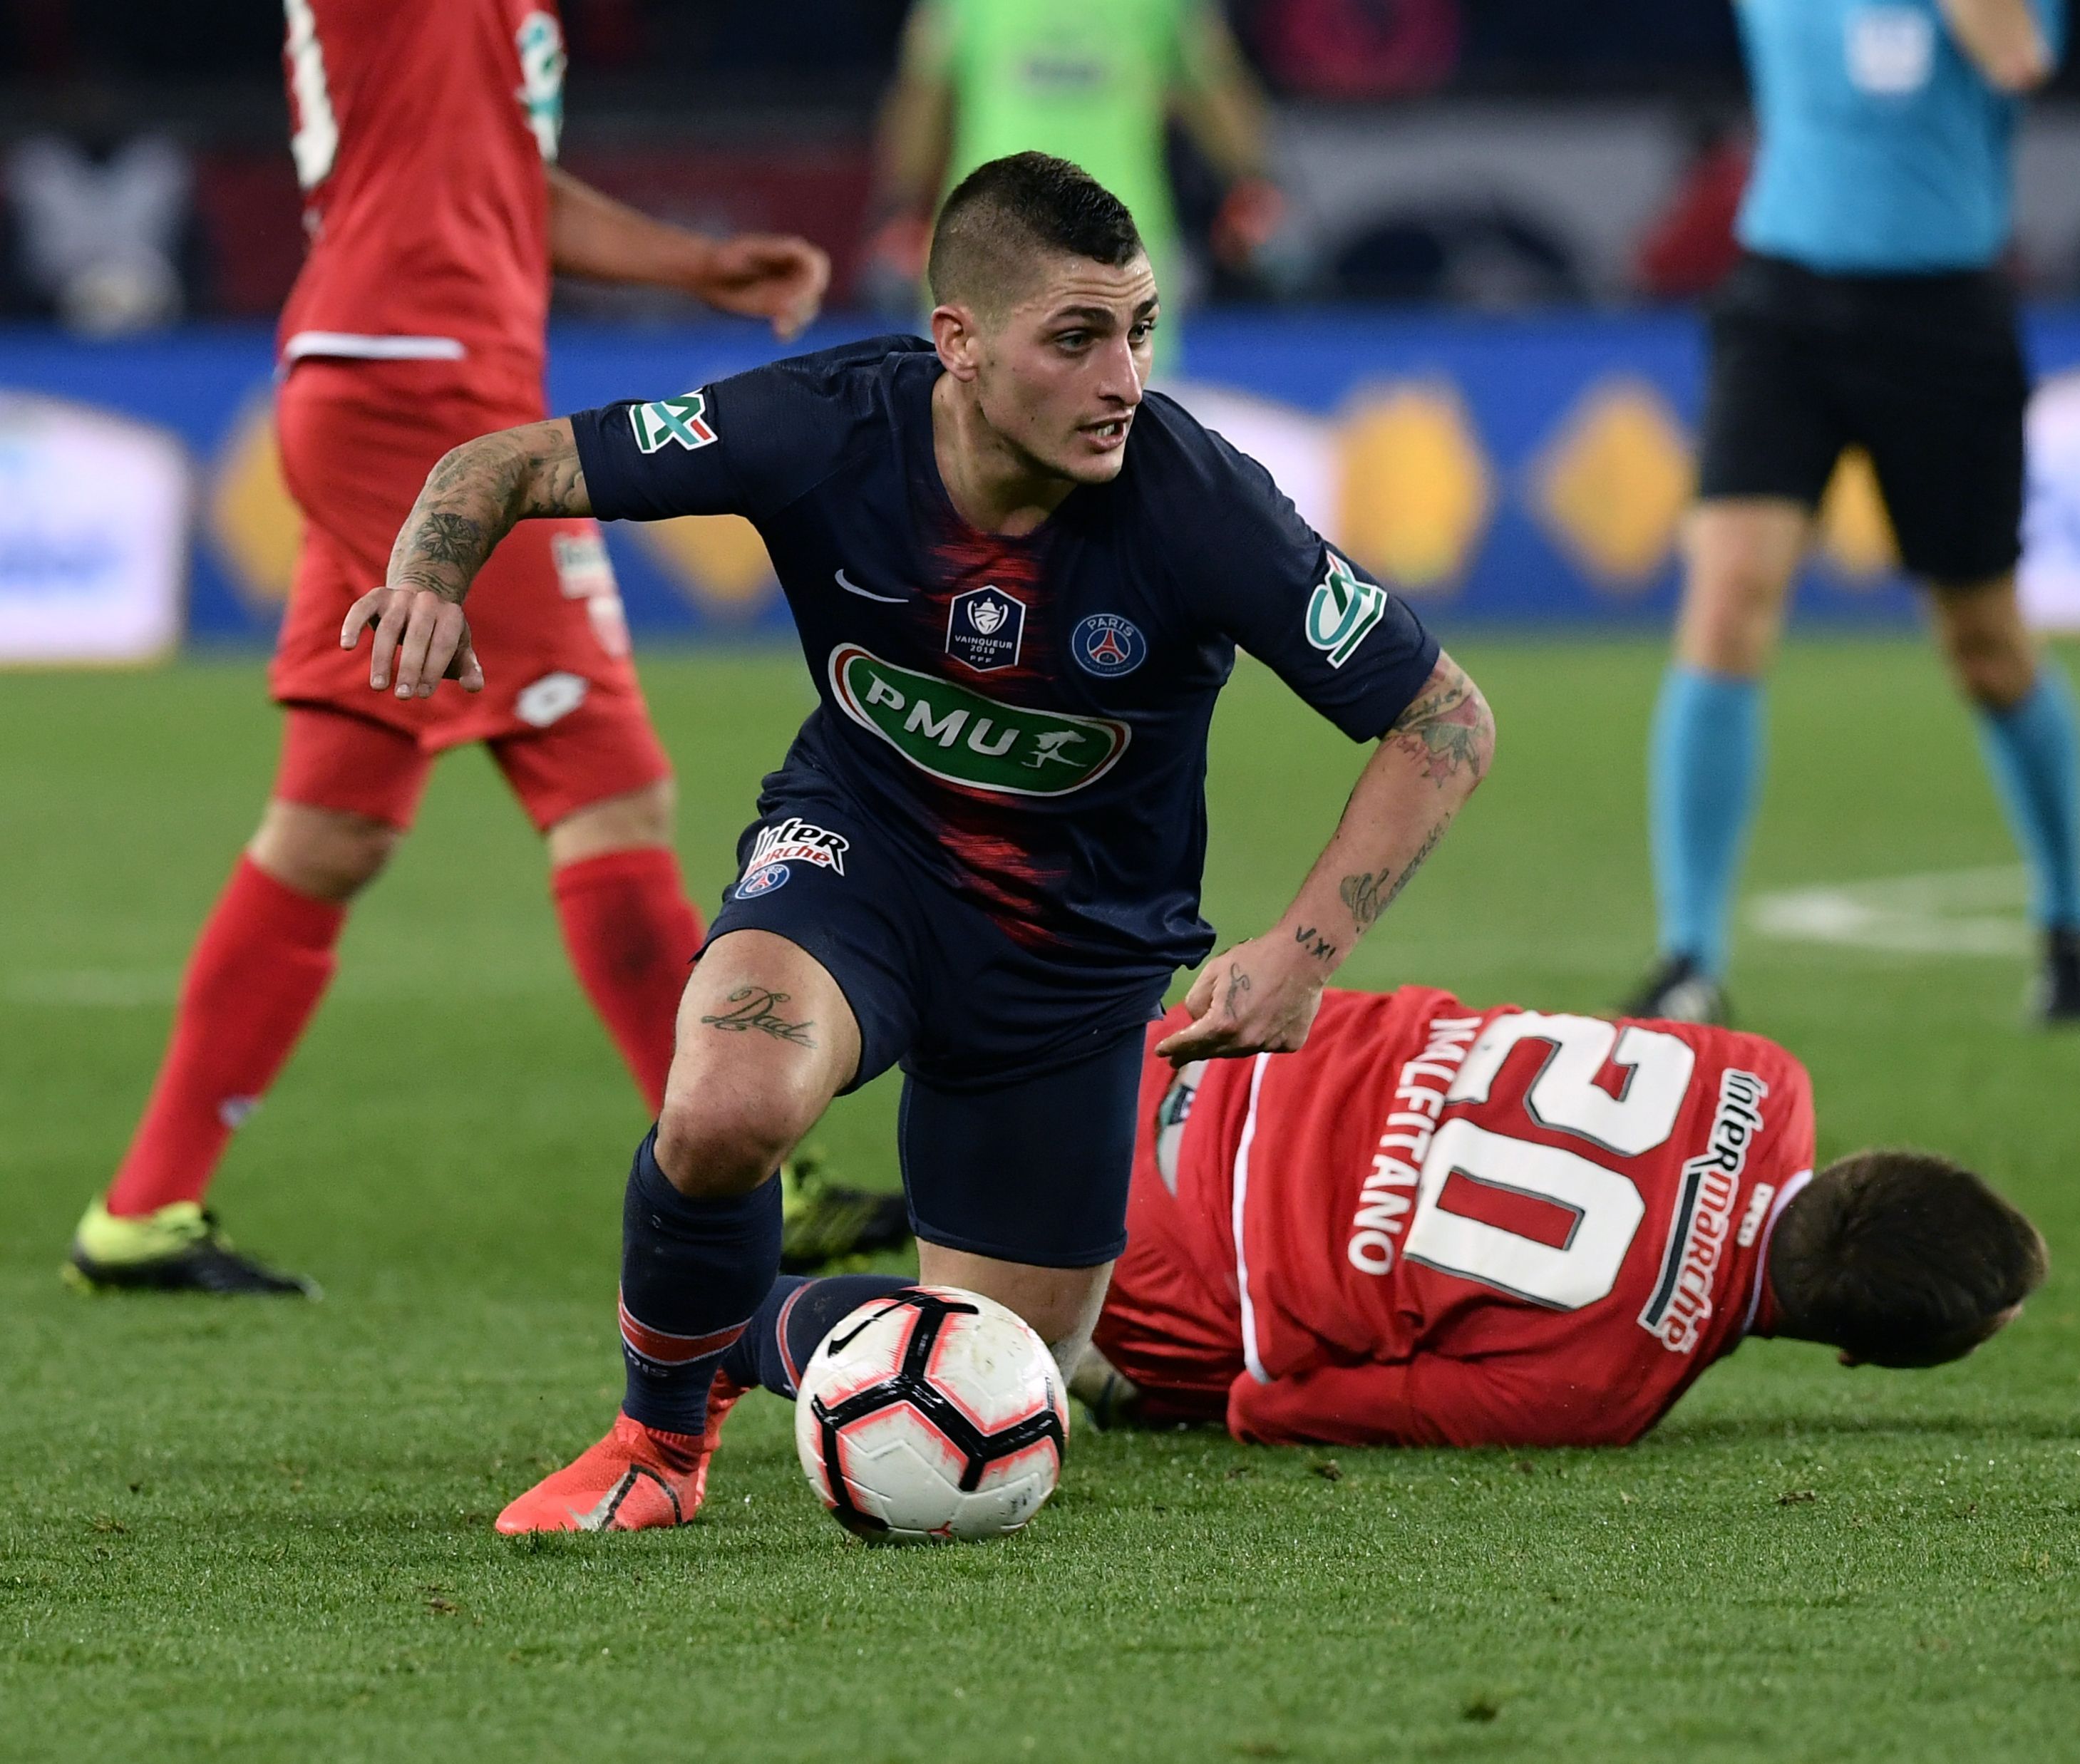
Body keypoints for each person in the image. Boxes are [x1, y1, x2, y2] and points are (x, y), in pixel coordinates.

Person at [341, 153, 1494, 1532]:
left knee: (1002, 1389)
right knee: (725, 1109)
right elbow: (506, 459)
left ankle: (730, 1323)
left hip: (1078, 961)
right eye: (1074, 338)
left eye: (1137, 330)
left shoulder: (1198, 501)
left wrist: (1305, 951)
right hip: (862, 860)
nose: (1122, 377)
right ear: (955, 343)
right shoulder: (824, 423)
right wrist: (427, 571)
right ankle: (656, 1447)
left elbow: (1442, 719)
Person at [58, 0, 898, 1299]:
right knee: (609, 792)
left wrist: (692, 267)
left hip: (389, 382)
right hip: (422, 400)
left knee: (335, 824)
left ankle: (141, 1211)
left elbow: (502, 186)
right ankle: (754, 1177)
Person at [708, 984, 2046, 1453]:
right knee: (1080, 1380)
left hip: (1183, 1051)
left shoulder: (1759, 1071)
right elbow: (1290, 1410)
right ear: (1861, 1352)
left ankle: (904, 1201)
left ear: (1881, 1162)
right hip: (1171, 1266)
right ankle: (736, 1321)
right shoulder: (1608, 1389)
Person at [1633, 0, 2080, 1028]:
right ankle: (1690, 957)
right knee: (1727, 597)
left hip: (1943, 313)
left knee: (1983, 641)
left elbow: (2018, 55)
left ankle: (2072, 926)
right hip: (1782, 305)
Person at [866, 0, 1282, 373]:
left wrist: (903, 205)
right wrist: (1251, 185)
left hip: (1004, 238)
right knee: (1119, 421)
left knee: (979, 418)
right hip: (1110, 246)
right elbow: (1213, 83)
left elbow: (924, 91)